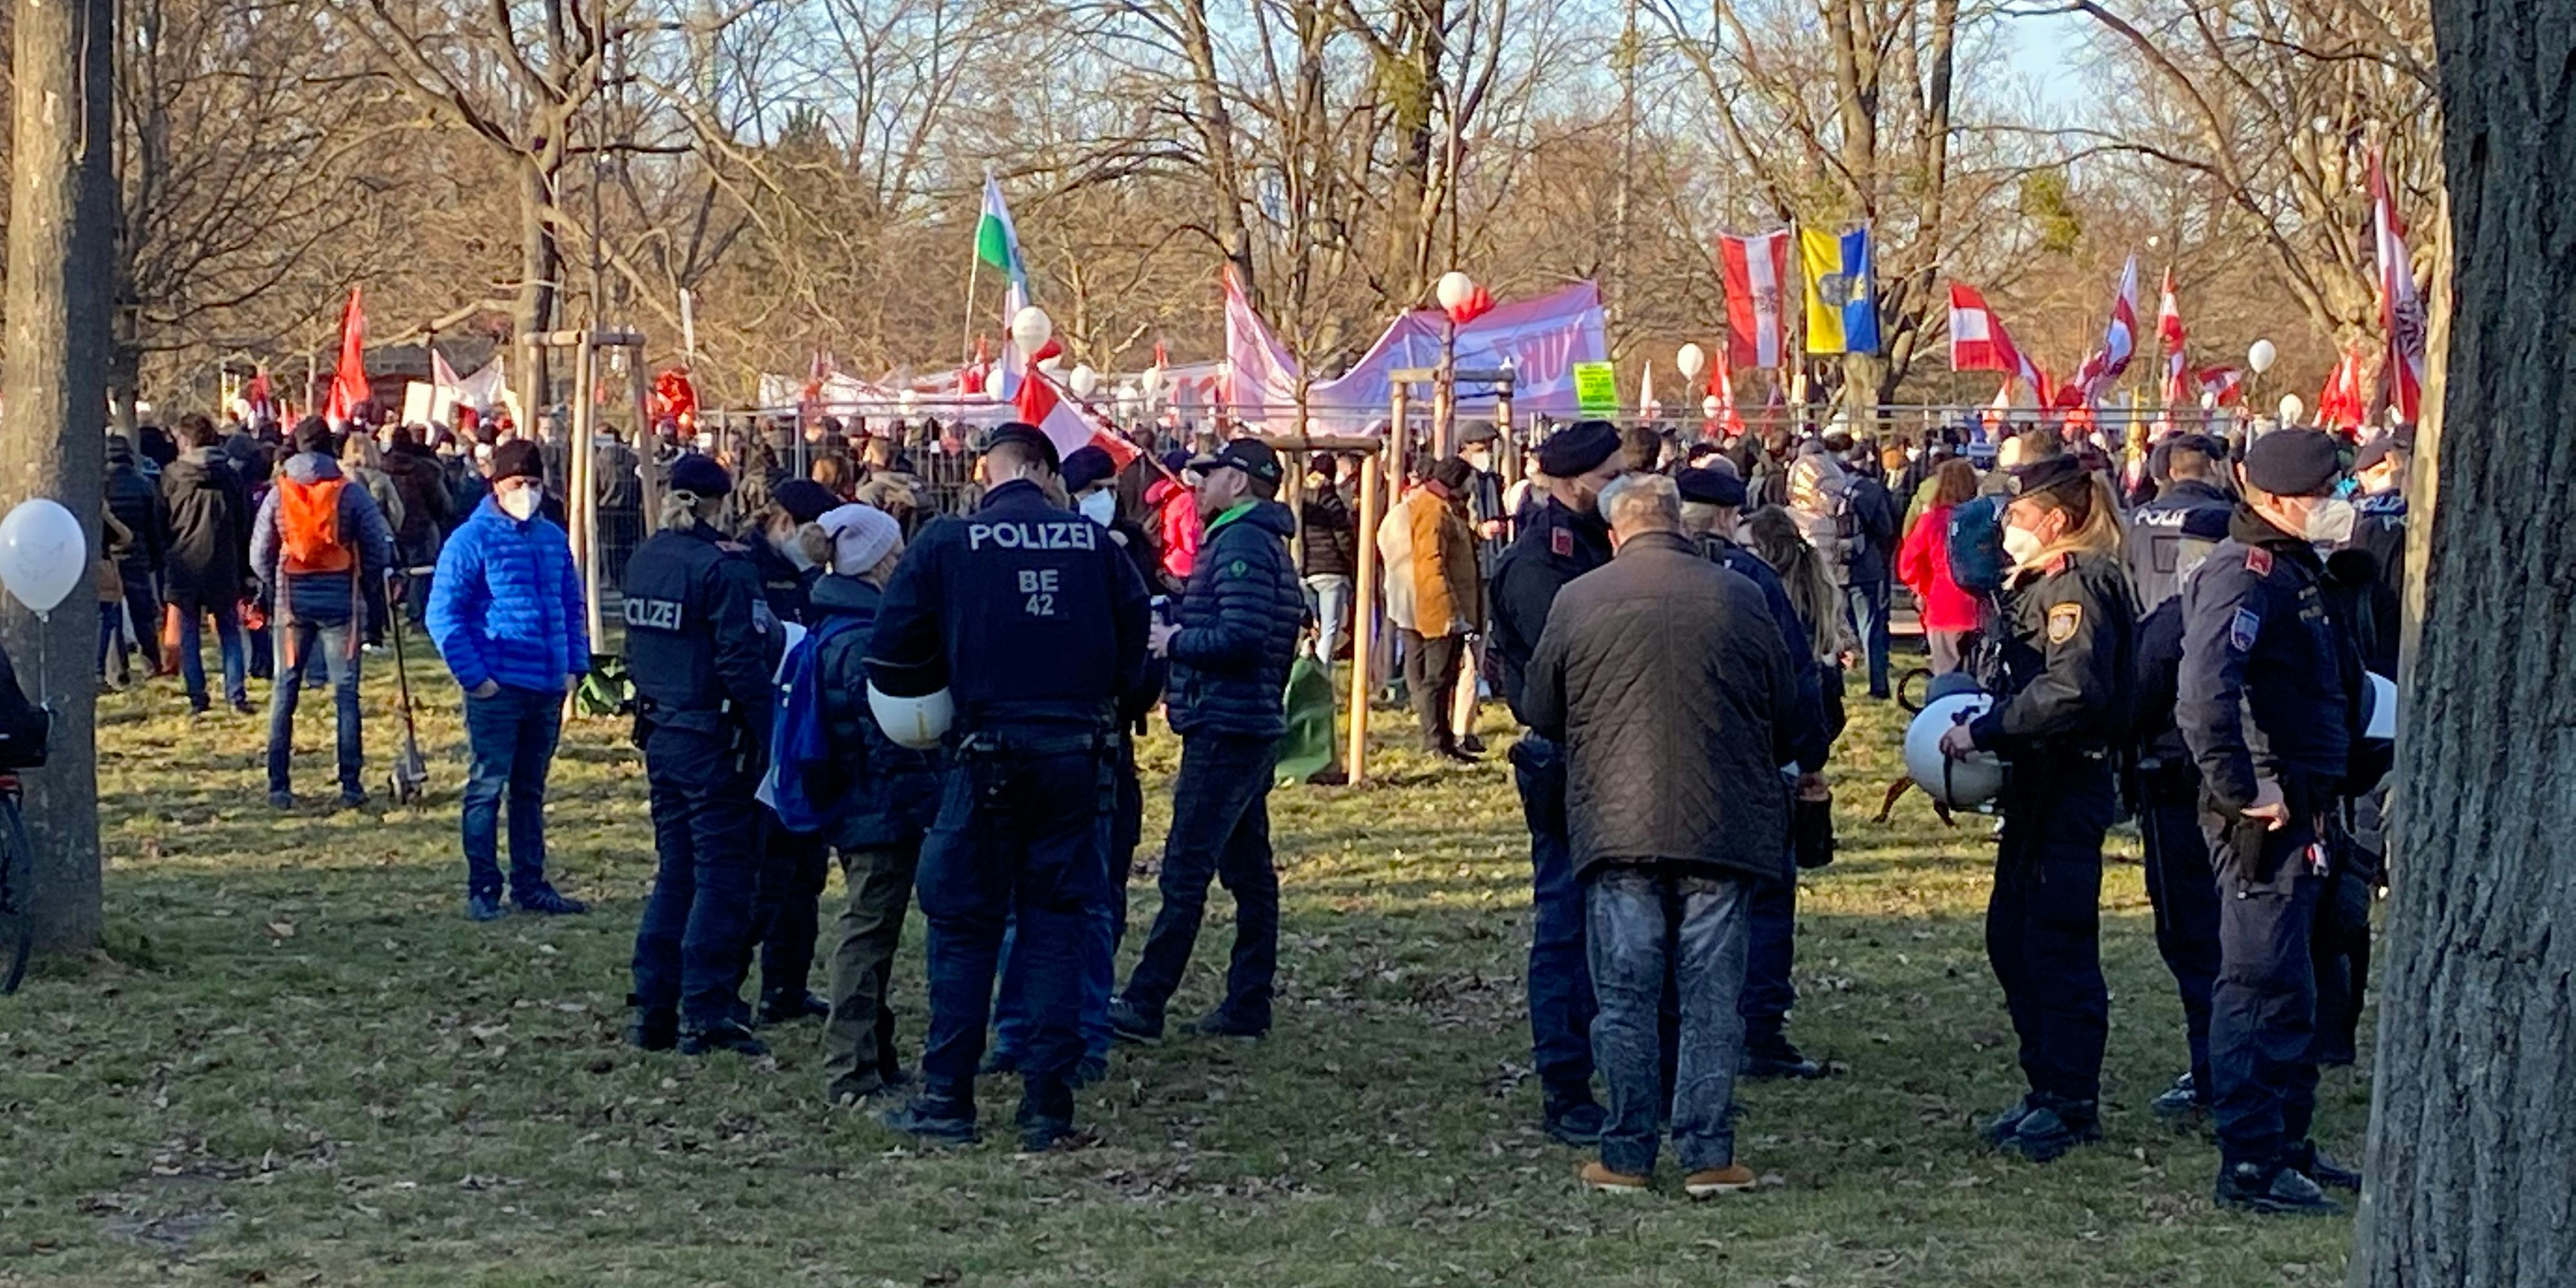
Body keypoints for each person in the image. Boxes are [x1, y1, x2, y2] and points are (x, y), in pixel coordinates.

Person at [866, 424, 1150, 1151]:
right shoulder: (1097, 549)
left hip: (983, 750)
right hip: (1077, 755)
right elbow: (1139, 656)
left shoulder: (946, 543)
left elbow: (893, 650)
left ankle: (946, 1099)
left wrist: (944, 698)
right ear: (1047, 476)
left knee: (963, 925)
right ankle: (1047, 1106)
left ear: (988, 472)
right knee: (1058, 923)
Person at [1522, 472, 1806, 1197]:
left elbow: (1540, 708)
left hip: (1615, 823)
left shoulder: (1578, 597)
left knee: (1624, 994)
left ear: (1616, 532)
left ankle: (1625, 1150)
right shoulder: (1740, 595)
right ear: (1679, 524)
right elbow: (1790, 706)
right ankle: (1708, 1151)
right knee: (1713, 993)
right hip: (1722, 822)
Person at [2175, 428, 2365, 1216]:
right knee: (2259, 983)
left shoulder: (2295, 569)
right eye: (2329, 492)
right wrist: (2240, 785)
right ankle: (2250, 1161)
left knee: (2303, 984)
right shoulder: (2244, 573)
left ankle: (2288, 1141)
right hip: (2267, 816)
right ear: (2283, 500)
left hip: (2313, 803)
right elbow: (2204, 692)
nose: (2342, 505)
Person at [1935, 455, 2138, 1162]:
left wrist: (1986, 730)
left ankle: (2071, 1098)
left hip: (2067, 779)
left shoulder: (2075, 584)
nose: (2006, 528)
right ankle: (2042, 1081)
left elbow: (2071, 690)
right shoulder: (2035, 587)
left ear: (2053, 521)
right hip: (2034, 782)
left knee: (2056, 943)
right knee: (2011, 936)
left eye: (2017, 517)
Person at [1112, 439, 1302, 1044]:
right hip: (1243, 721)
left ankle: (1146, 1002)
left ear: (1241, 482)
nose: (1197, 482)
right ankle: (1249, 1001)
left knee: (1187, 868)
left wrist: (1174, 642)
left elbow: (1241, 636)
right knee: (1248, 872)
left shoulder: (1242, 542)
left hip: (1227, 723)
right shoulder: (1250, 539)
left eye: (1210, 472)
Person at [1486, 419, 1623, 1145]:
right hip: (1568, 755)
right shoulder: (1542, 561)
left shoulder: (1598, 545)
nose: (1619, 489)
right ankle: (1565, 1081)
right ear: (1573, 482)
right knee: (1567, 923)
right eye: (1609, 478)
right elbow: (1559, 668)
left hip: (1617, 752)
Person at [621, 453, 779, 1058]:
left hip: (662, 732)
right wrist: (775, 736)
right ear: (722, 501)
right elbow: (742, 661)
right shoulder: (724, 571)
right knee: (723, 876)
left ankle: (656, 1005)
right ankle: (708, 1009)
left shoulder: (646, 558)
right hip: (717, 740)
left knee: (677, 870)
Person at [807, 504, 944, 1104]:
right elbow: (887, 742)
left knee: (875, 933)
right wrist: (928, 805)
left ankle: (875, 1057)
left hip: (857, 801)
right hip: (878, 807)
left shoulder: (835, 622)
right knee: (866, 936)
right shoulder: (866, 638)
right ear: (879, 561)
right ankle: (851, 1070)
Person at [426, 440, 591, 922]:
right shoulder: (469, 541)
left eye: (534, 484)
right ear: (496, 484)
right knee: (486, 787)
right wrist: (476, 678)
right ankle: (483, 885)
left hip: (545, 685)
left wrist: (573, 666)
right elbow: (444, 615)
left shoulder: (552, 539)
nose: (527, 492)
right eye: (518, 483)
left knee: (530, 790)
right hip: (498, 684)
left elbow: (570, 605)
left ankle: (531, 883)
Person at [1738, 506, 1850, 1079]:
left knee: (1756, 901)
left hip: (1759, 761)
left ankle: (1748, 1023)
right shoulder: (1812, 599)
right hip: (1787, 763)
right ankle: (1762, 1023)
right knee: (1772, 902)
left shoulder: (1753, 599)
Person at [2129, 502, 2232, 1130]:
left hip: (2179, 789)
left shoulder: (2178, 618)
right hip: (2254, 792)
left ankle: (2211, 1069)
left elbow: (2136, 701)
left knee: (2193, 937)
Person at [250, 419, 396, 810]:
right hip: (341, 602)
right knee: (346, 693)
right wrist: (367, 588)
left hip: (292, 603)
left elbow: (259, 553)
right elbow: (377, 546)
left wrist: (274, 585)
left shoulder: (279, 493)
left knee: (285, 691)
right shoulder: (349, 492)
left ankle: (278, 784)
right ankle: (351, 784)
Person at [744, 477, 842, 1025]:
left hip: (803, 734)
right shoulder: (749, 571)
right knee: (767, 873)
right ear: (786, 524)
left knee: (805, 871)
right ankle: (731, 979)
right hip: (767, 738)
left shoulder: (808, 577)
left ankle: (787, 984)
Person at [160, 414, 253, 714]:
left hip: (184, 561)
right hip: (224, 561)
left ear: (185, 440)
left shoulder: (172, 476)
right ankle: (236, 694)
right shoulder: (231, 476)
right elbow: (244, 521)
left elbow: (161, 521)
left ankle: (197, 696)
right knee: (229, 631)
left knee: (188, 632)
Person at [1397, 457, 1482, 761]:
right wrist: (1447, 610)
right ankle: (1435, 742)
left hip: (1453, 606)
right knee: (1437, 677)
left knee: (1446, 676)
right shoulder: (1432, 509)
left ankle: (1445, 741)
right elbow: (1431, 562)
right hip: (1442, 609)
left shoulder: (1443, 507)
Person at [2123, 434, 2235, 614]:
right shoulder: (2224, 517)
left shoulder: (2137, 518)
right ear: (2215, 466)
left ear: (2173, 473)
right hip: (2201, 628)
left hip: (2148, 628)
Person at [1826, 433, 1899, 699]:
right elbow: (1886, 527)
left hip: (1832, 566)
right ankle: (1878, 685)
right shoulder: (1870, 489)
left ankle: (1835, 687)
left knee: (1832, 627)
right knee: (1871, 627)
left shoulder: (1824, 488)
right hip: (1866, 565)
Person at [1897, 459, 1983, 674]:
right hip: (1981, 606)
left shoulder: (1932, 521)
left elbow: (1908, 562)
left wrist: (1921, 588)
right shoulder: (1983, 519)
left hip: (1943, 603)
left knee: (1946, 675)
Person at [104, 436, 169, 676]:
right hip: (138, 555)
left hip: (108, 557)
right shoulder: (143, 484)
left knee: (113, 615)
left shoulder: (100, 485)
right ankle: (152, 662)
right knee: (143, 614)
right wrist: (156, 557)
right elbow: (154, 526)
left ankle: (117, 669)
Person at [382, 426, 455, 619]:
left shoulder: (380, 468)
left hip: (388, 528)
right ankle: (416, 614)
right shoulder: (425, 469)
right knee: (422, 570)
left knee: (389, 571)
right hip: (420, 525)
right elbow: (441, 500)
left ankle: (388, 613)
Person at [1298, 454, 1358, 665]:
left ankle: (1305, 662)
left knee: (1312, 624)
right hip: (1332, 570)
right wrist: (1350, 562)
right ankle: (1321, 674)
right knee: (1329, 629)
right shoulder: (1331, 499)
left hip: (1306, 569)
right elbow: (1343, 536)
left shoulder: (1301, 498)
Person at [1147, 449, 1203, 591]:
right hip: (1185, 565)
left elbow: (1149, 497)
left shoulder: (1167, 494)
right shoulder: (1187, 499)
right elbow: (1189, 538)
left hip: (1167, 559)